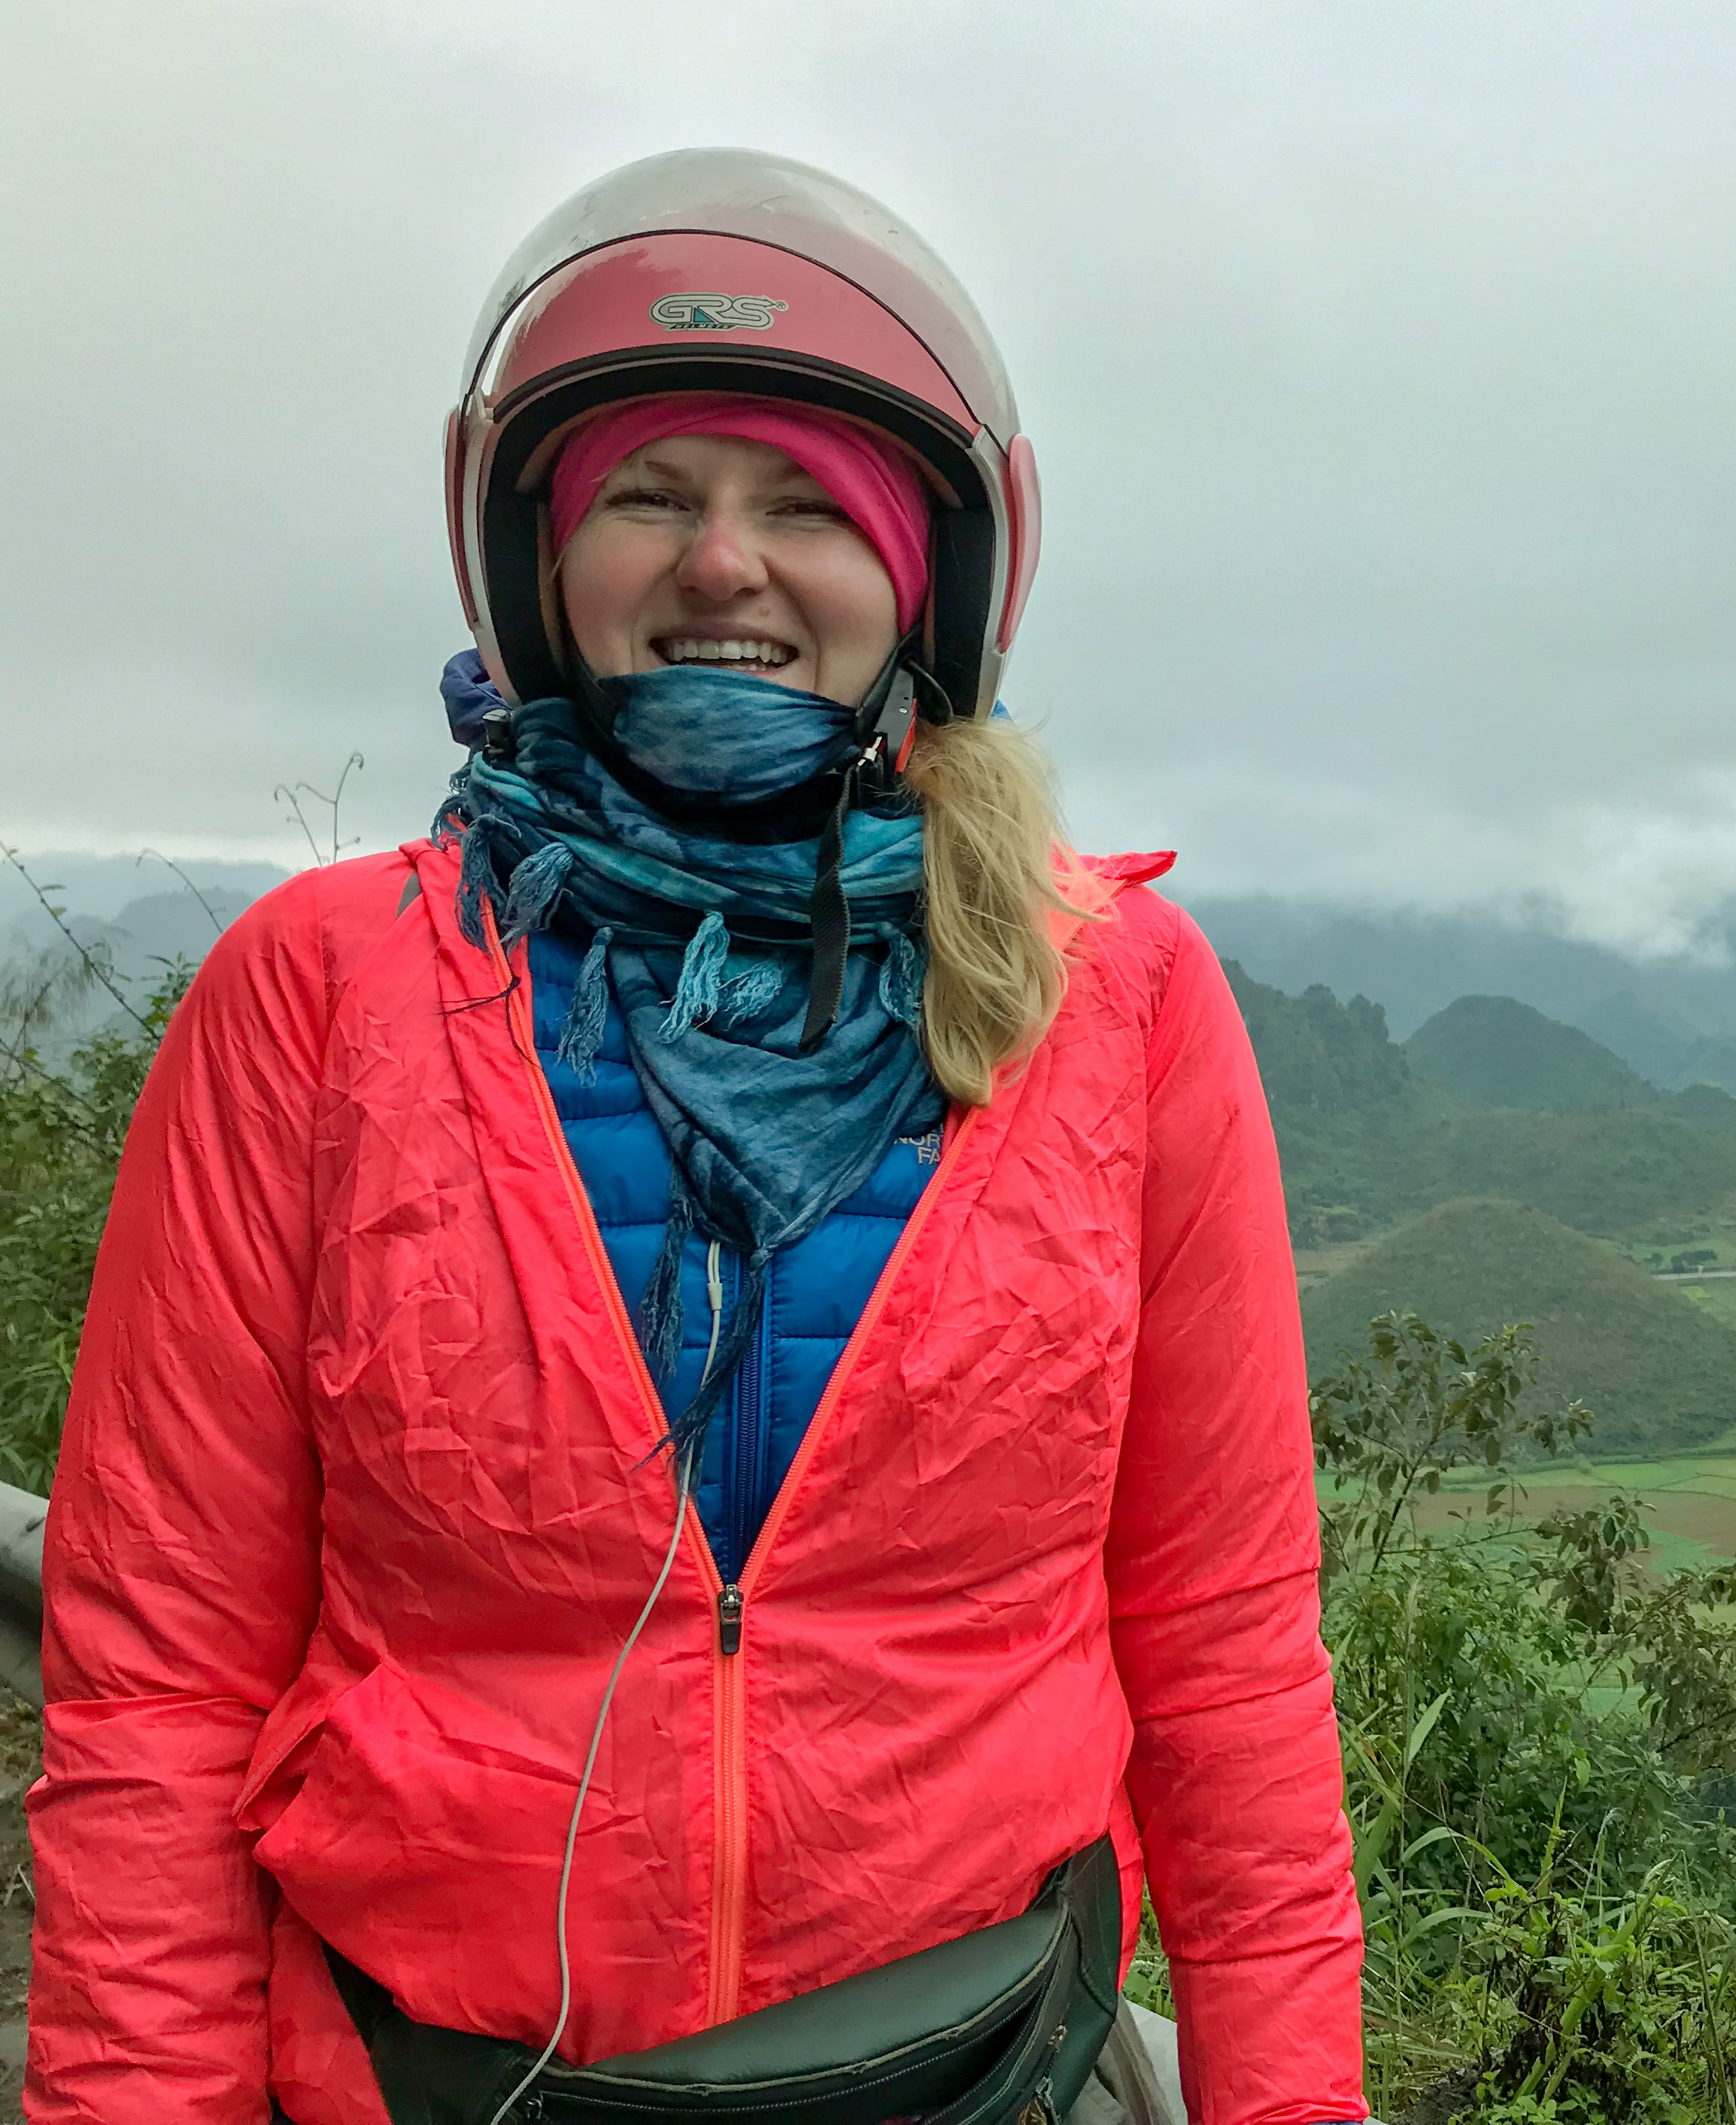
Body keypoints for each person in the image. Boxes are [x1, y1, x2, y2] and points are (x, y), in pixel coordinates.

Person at [24, 151, 1366, 2125]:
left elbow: (1226, 1649)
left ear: (926, 580)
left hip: (977, 2064)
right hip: (427, 2076)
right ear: (540, 559)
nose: (723, 563)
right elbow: (160, 1677)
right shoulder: (318, 997)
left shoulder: (1120, 1006)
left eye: (806, 505)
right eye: (649, 495)